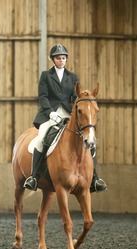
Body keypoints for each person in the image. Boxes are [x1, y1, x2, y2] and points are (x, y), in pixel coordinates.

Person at [24, 44, 107, 192]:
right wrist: (50, 112)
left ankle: (95, 178)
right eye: (58, 58)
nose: (61, 60)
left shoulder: (72, 77)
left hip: (69, 114)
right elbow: (43, 97)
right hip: (50, 115)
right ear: (52, 59)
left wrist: (74, 112)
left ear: (66, 59)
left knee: (90, 142)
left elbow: (76, 98)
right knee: (41, 139)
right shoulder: (46, 75)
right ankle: (34, 177)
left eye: (63, 58)